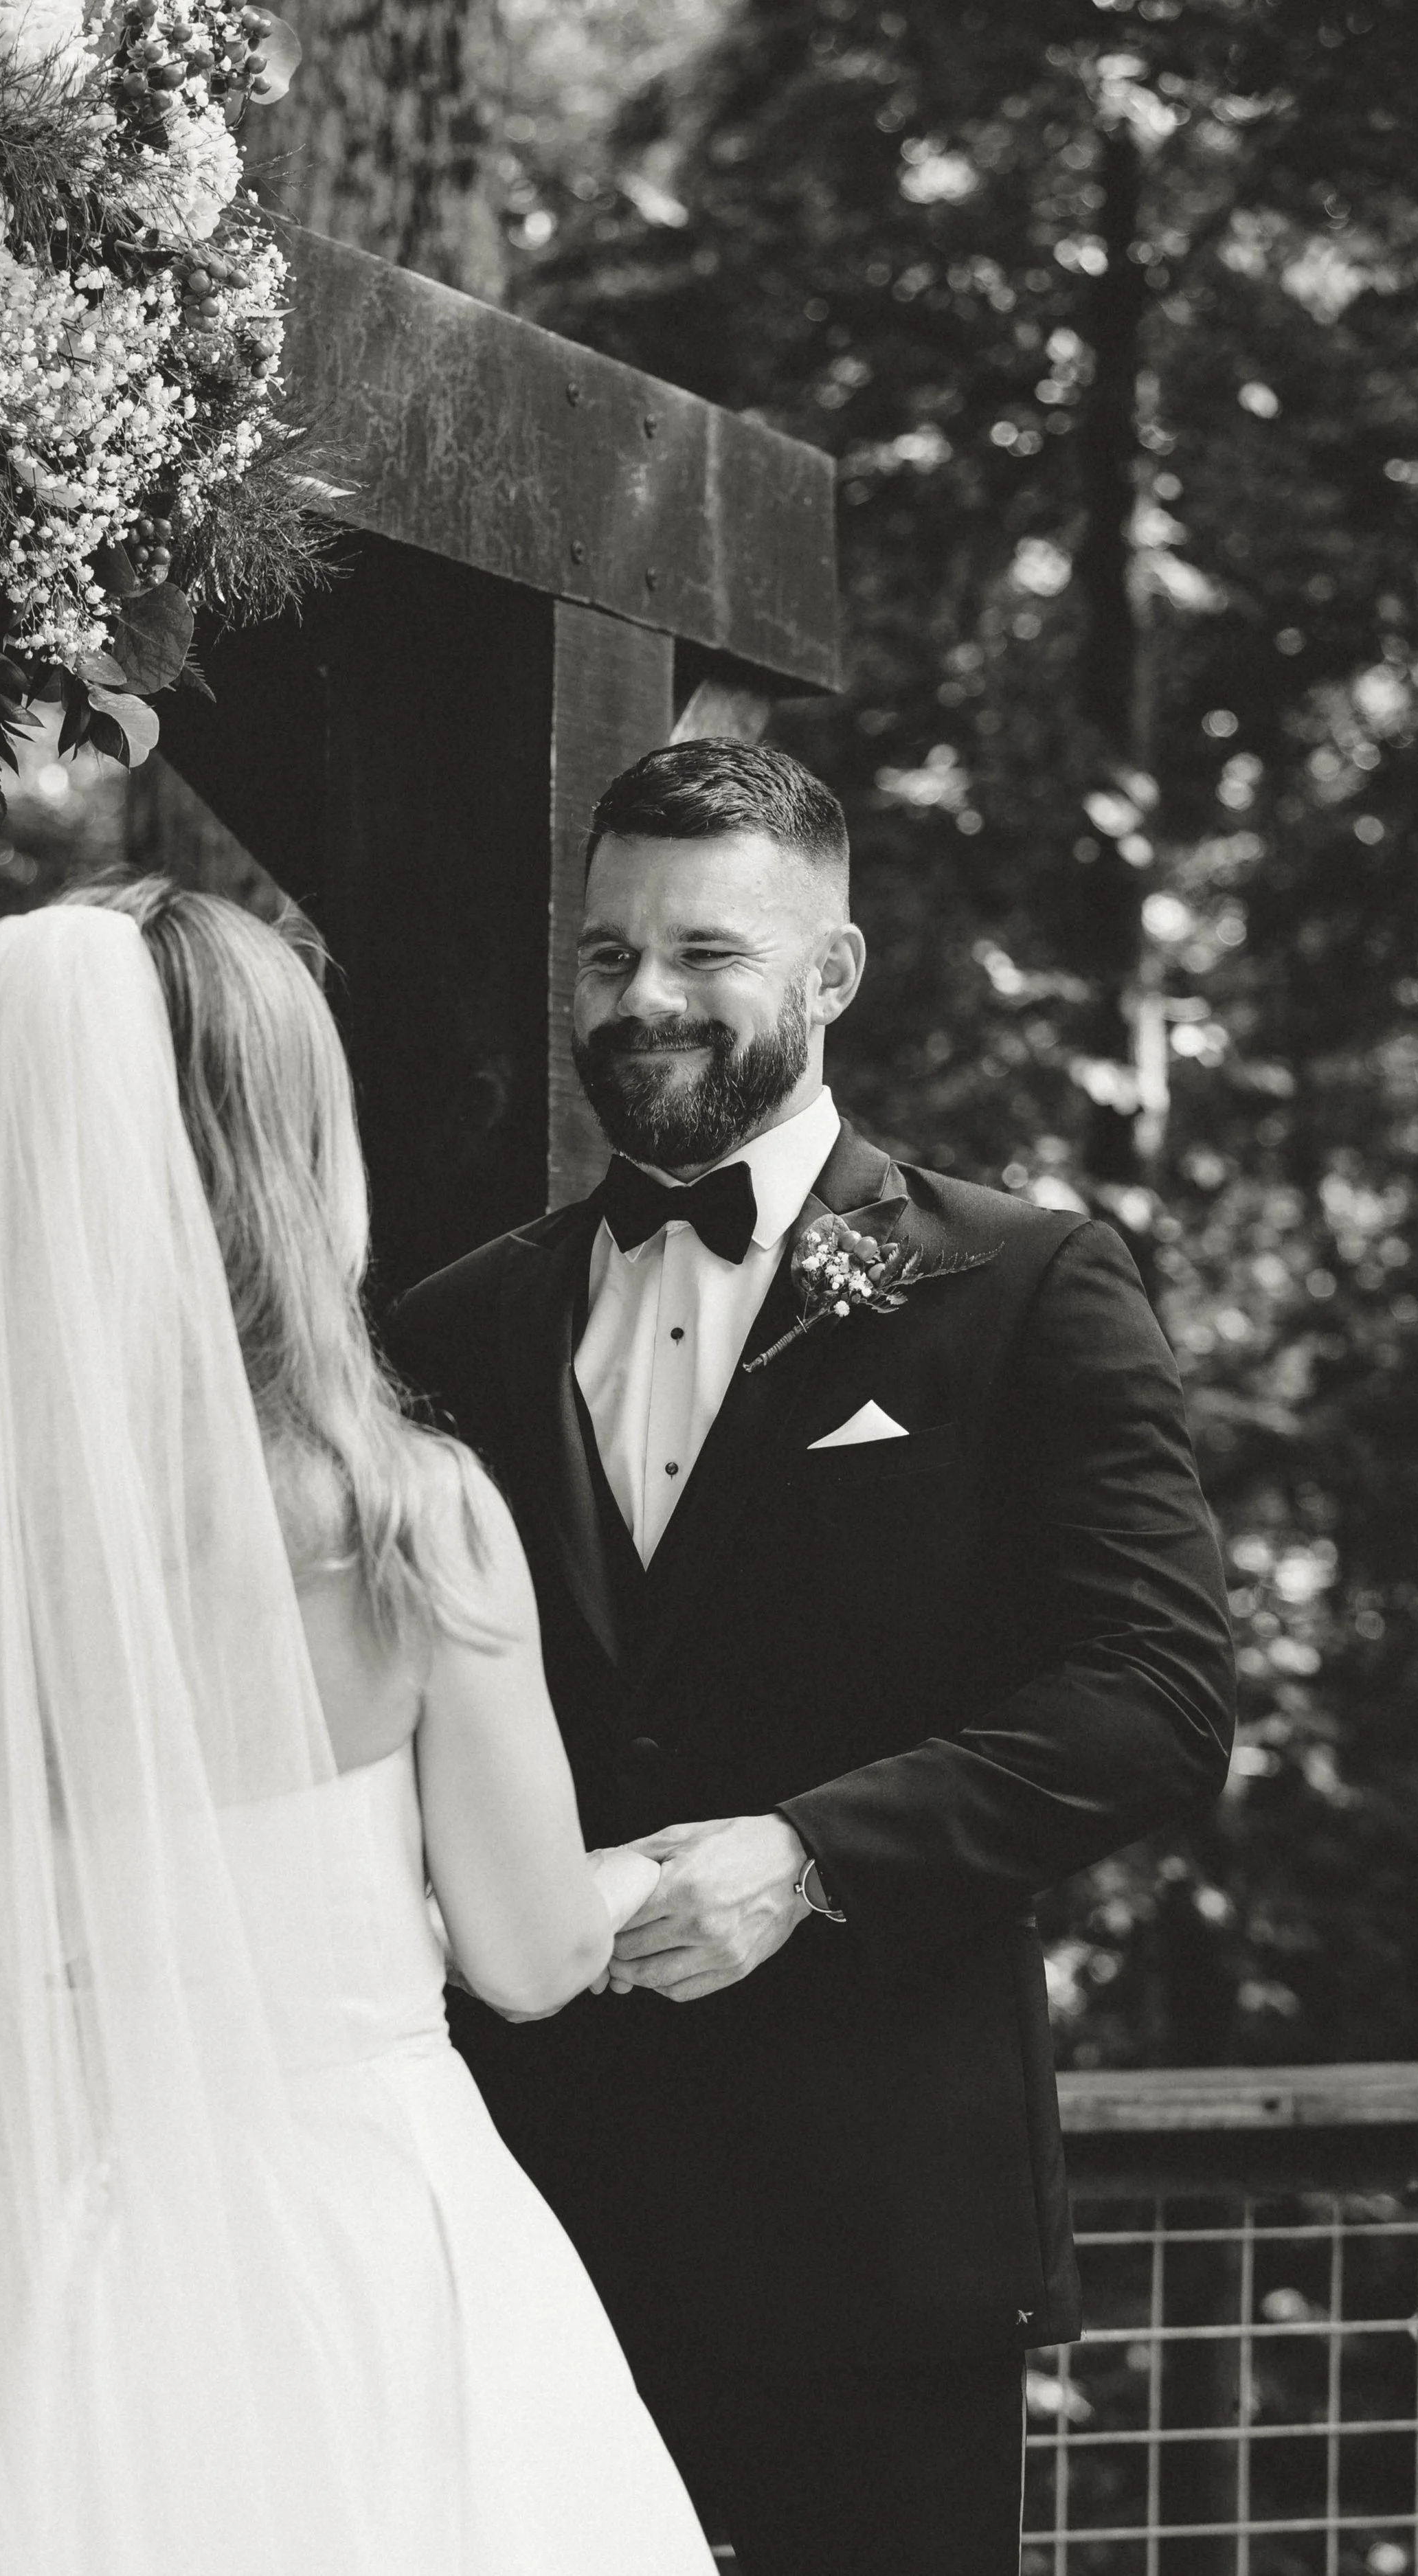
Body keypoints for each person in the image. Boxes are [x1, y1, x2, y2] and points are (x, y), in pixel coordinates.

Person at [385, 738, 1238, 2576]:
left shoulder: (1023, 1286)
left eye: (707, 953)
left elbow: (1153, 1693)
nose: (644, 998)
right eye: (608, 956)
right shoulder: (455, 1322)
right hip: (520, 2220)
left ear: (830, 975)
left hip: (871, 2243)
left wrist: (812, 1854)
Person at [0, 887, 717, 2576]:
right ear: (281, 1149)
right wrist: (663, 1870)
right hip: (357, 2251)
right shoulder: (401, 1517)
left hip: (22, 2274)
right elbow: (525, 1955)